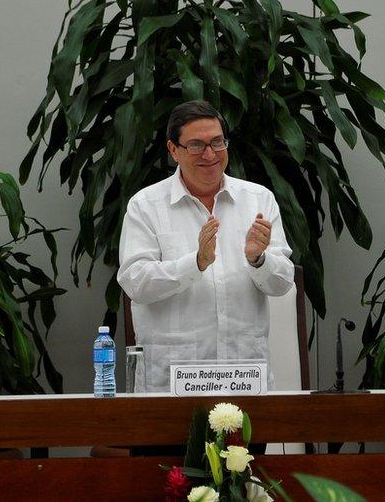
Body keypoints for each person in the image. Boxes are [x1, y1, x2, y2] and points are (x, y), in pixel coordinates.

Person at [117, 100, 295, 392]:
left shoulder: (258, 200)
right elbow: (136, 283)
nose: (210, 154)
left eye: (217, 142)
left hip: (245, 382)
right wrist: (195, 263)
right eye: (196, 145)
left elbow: (281, 283)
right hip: (172, 385)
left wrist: (258, 260)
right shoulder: (146, 206)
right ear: (173, 150)